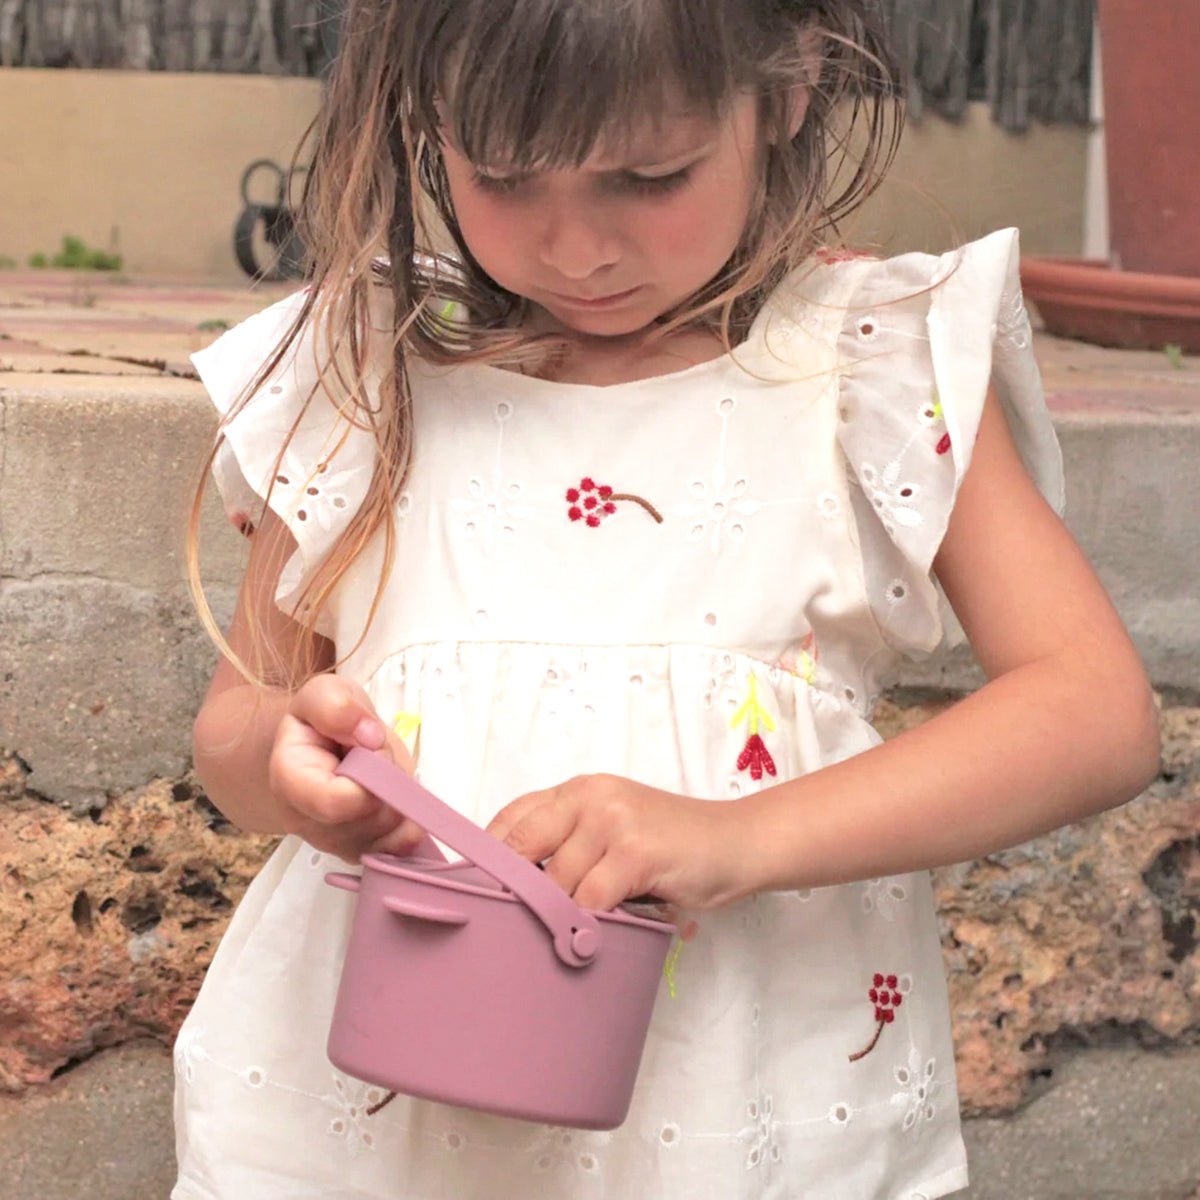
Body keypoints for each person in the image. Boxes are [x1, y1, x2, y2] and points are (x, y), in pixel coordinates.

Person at [173, 1, 1161, 1196]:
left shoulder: (872, 362)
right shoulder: (366, 365)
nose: (576, 247)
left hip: (745, 1109)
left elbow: (1096, 712)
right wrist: (286, 763)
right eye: (502, 176)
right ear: (428, 123)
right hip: (373, 1124)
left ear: (789, 87)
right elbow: (235, 728)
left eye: (649, 176)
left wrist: (733, 836)